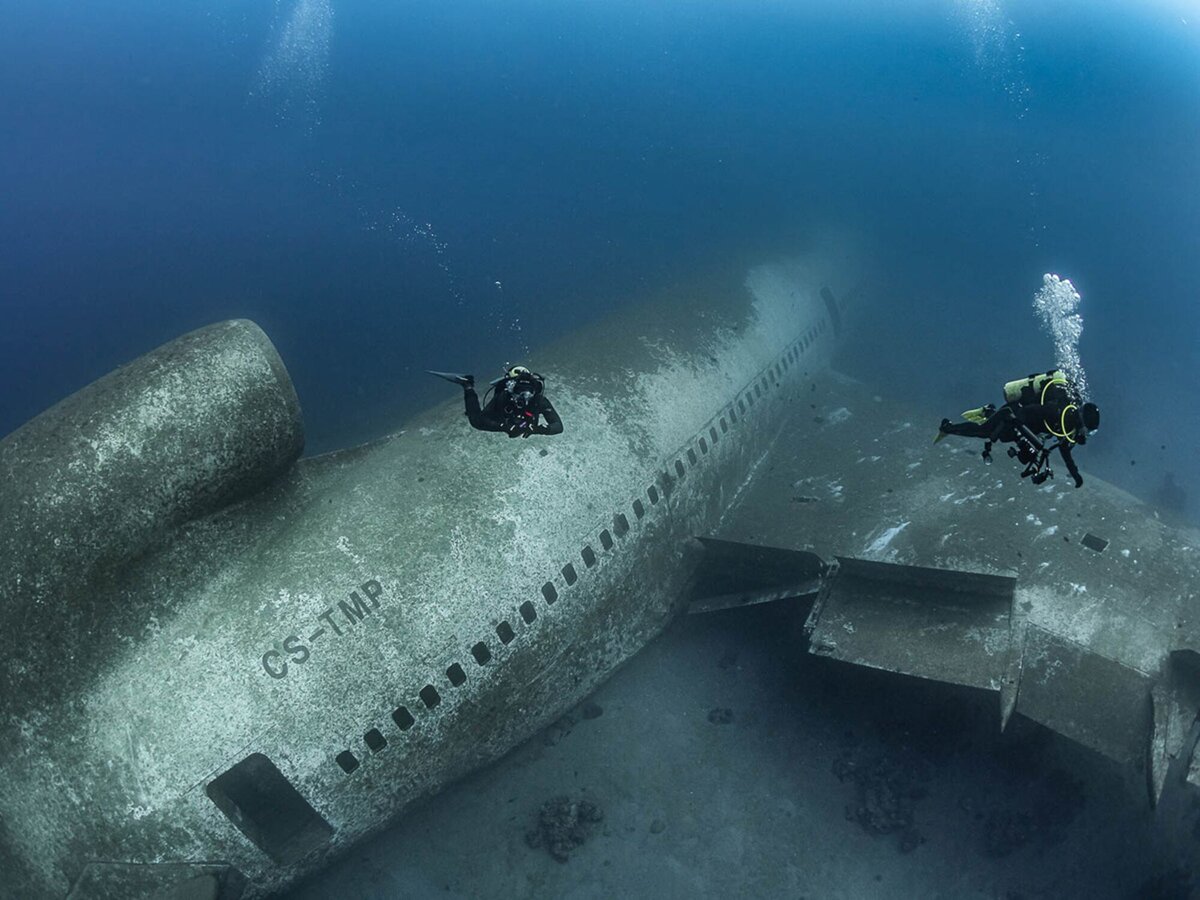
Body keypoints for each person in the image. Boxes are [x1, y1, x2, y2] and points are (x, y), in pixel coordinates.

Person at [936, 370, 1100, 488]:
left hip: (1023, 426)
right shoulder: (1056, 412)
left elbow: (1065, 451)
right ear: (1081, 422)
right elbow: (1029, 411)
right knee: (985, 432)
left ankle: (989, 412)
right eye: (1087, 431)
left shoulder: (1068, 427)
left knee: (1004, 437)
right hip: (1014, 413)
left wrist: (1076, 474)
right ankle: (947, 427)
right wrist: (1014, 424)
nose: (1085, 436)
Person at [429, 365, 563, 438]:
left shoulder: (539, 400)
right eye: (519, 389)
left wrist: (538, 429)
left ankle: (468, 386)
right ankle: (467, 385)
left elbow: (558, 426)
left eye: (529, 390)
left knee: (477, 422)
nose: (524, 394)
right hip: (503, 419)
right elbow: (481, 419)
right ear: (510, 387)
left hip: (525, 424)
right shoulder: (503, 396)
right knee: (475, 421)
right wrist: (504, 426)